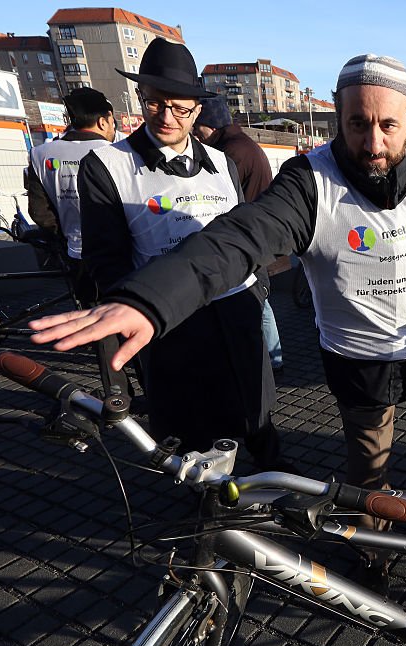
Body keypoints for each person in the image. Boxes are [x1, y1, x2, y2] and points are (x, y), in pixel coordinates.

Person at [30, 53, 406, 592]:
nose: (374, 142)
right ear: (339, 118)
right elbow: (237, 239)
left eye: (388, 125)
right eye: (357, 124)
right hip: (361, 359)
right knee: (367, 472)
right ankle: (374, 545)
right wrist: (149, 300)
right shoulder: (310, 182)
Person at [74, 37, 286, 471]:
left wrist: (259, 287)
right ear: (141, 98)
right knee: (190, 429)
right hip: (172, 322)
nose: (168, 117)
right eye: (155, 104)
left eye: (182, 108)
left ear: (197, 106)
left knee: (257, 410)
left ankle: (271, 482)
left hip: (236, 309)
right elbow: (106, 259)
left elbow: (246, 231)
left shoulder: (222, 161)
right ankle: (207, 513)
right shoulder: (107, 165)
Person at [193, 97, 283, 373]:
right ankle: (274, 356)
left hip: (248, 235)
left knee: (258, 299)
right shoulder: (242, 144)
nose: (196, 135)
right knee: (261, 299)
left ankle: (272, 358)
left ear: (209, 125)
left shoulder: (230, 153)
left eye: (199, 128)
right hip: (259, 231)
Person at [27, 87, 116, 306]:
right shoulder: (117, 153)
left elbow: (39, 211)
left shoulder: (40, 154)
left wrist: (64, 235)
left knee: (89, 314)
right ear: (104, 121)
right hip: (117, 253)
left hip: (74, 251)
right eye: (112, 121)